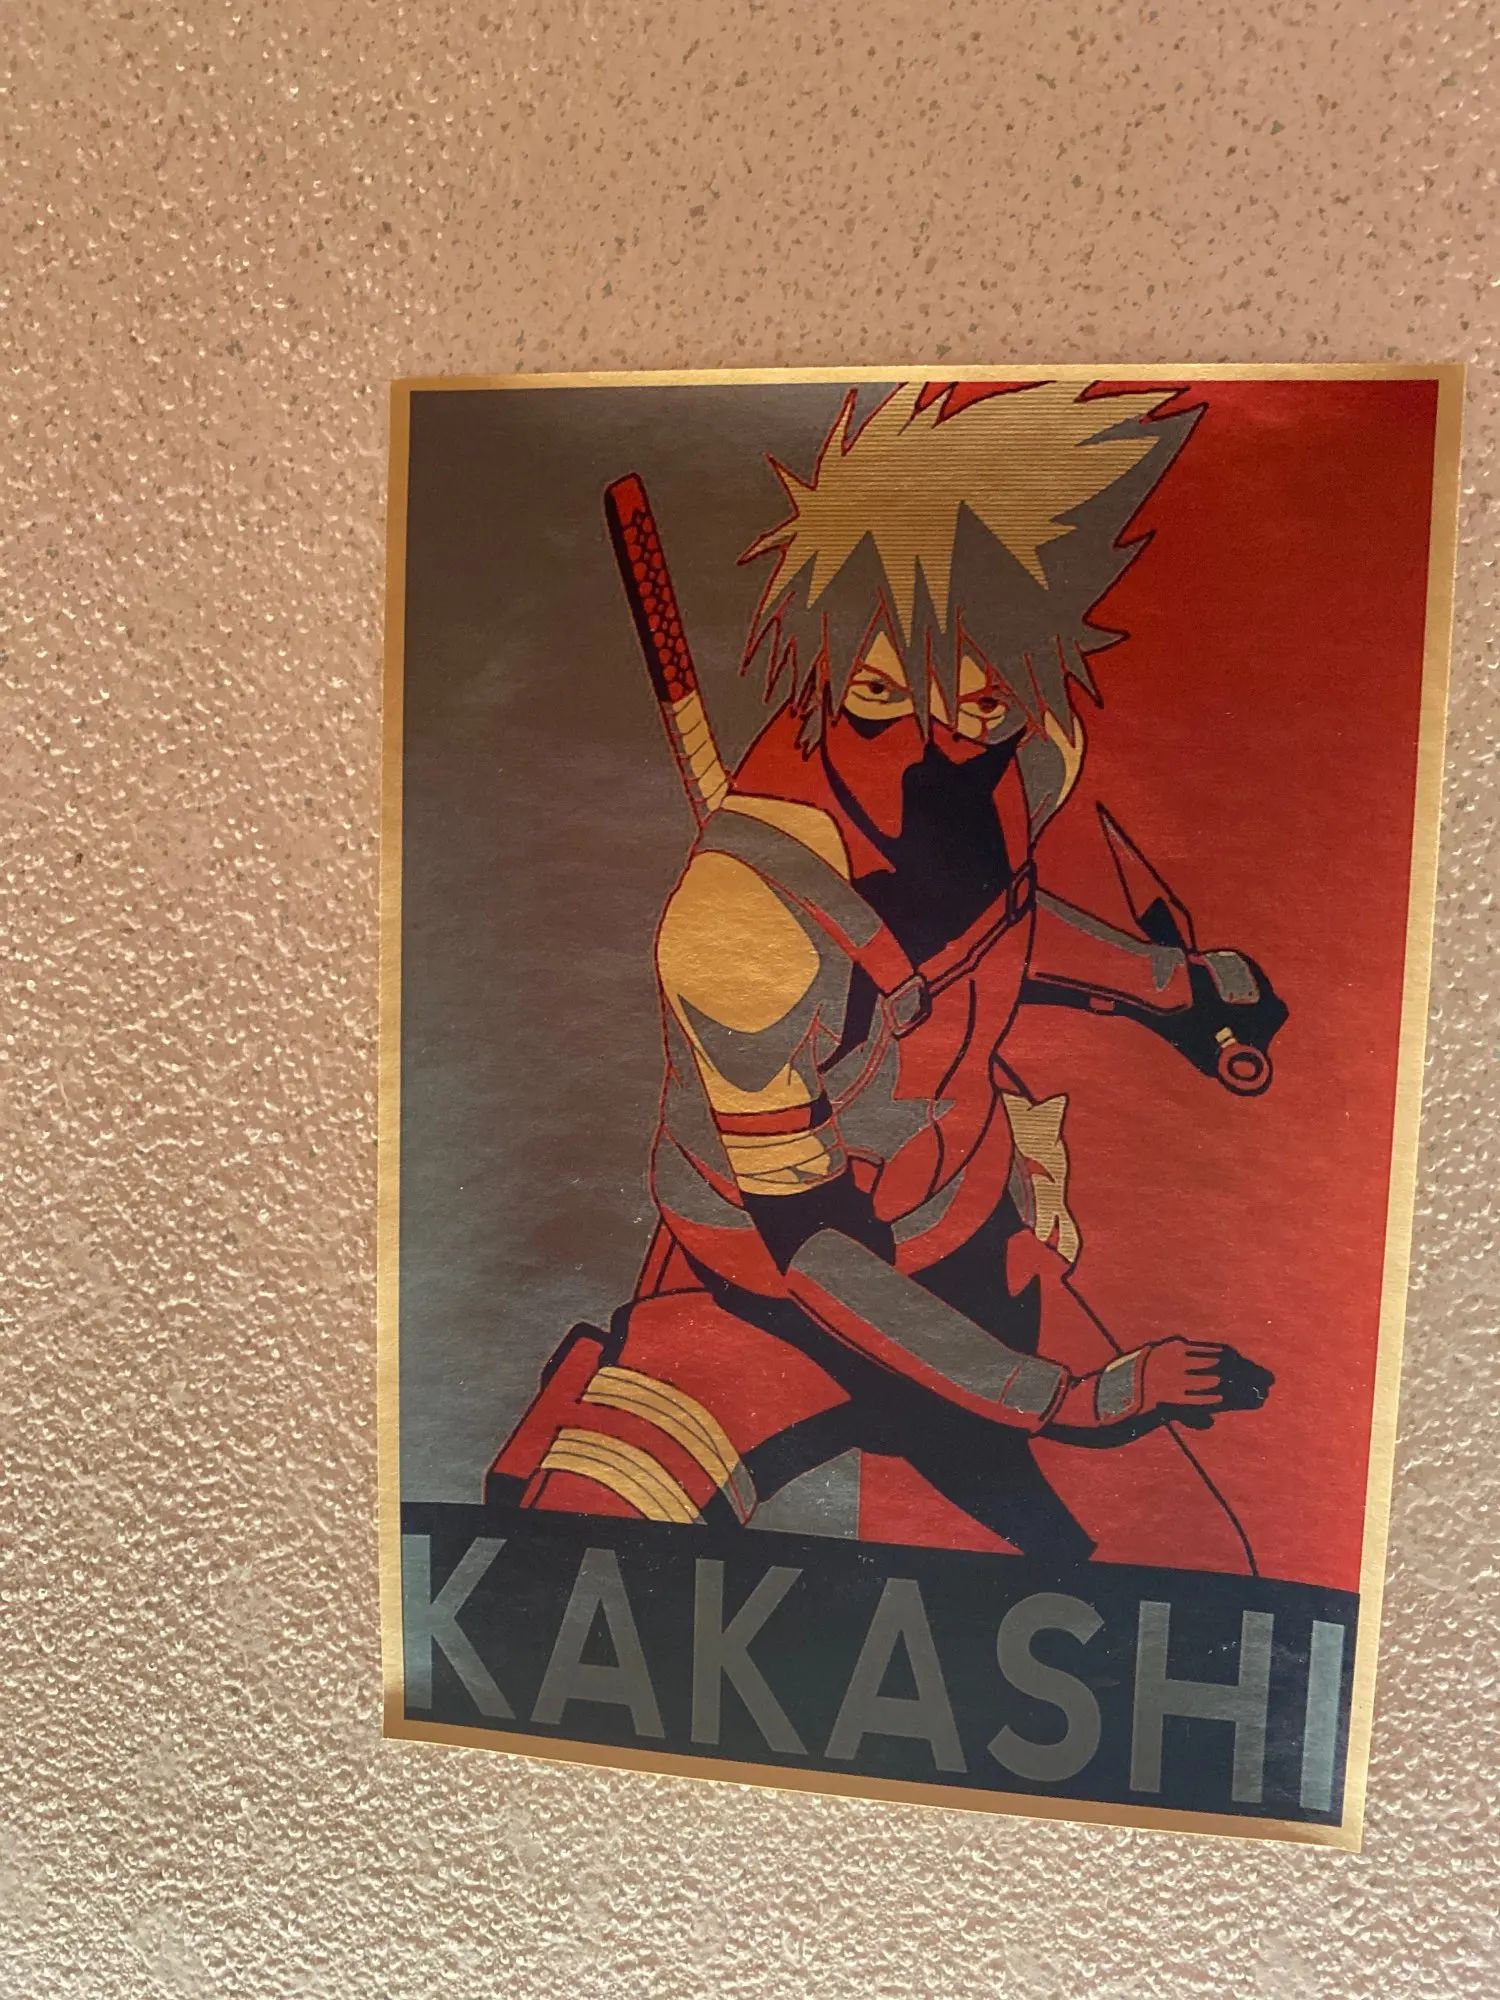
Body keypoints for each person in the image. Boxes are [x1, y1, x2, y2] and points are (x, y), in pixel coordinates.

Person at [486, 382, 1282, 1568]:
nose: (941, 730)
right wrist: (1069, 1398)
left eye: (981, 692)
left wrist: (1170, 980)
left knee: (1204, 1586)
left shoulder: (1029, 754)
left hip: (971, 1251)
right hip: (754, 1297)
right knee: (563, 1579)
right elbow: (815, 1252)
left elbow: (1006, 919)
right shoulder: (740, 922)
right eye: (882, 685)